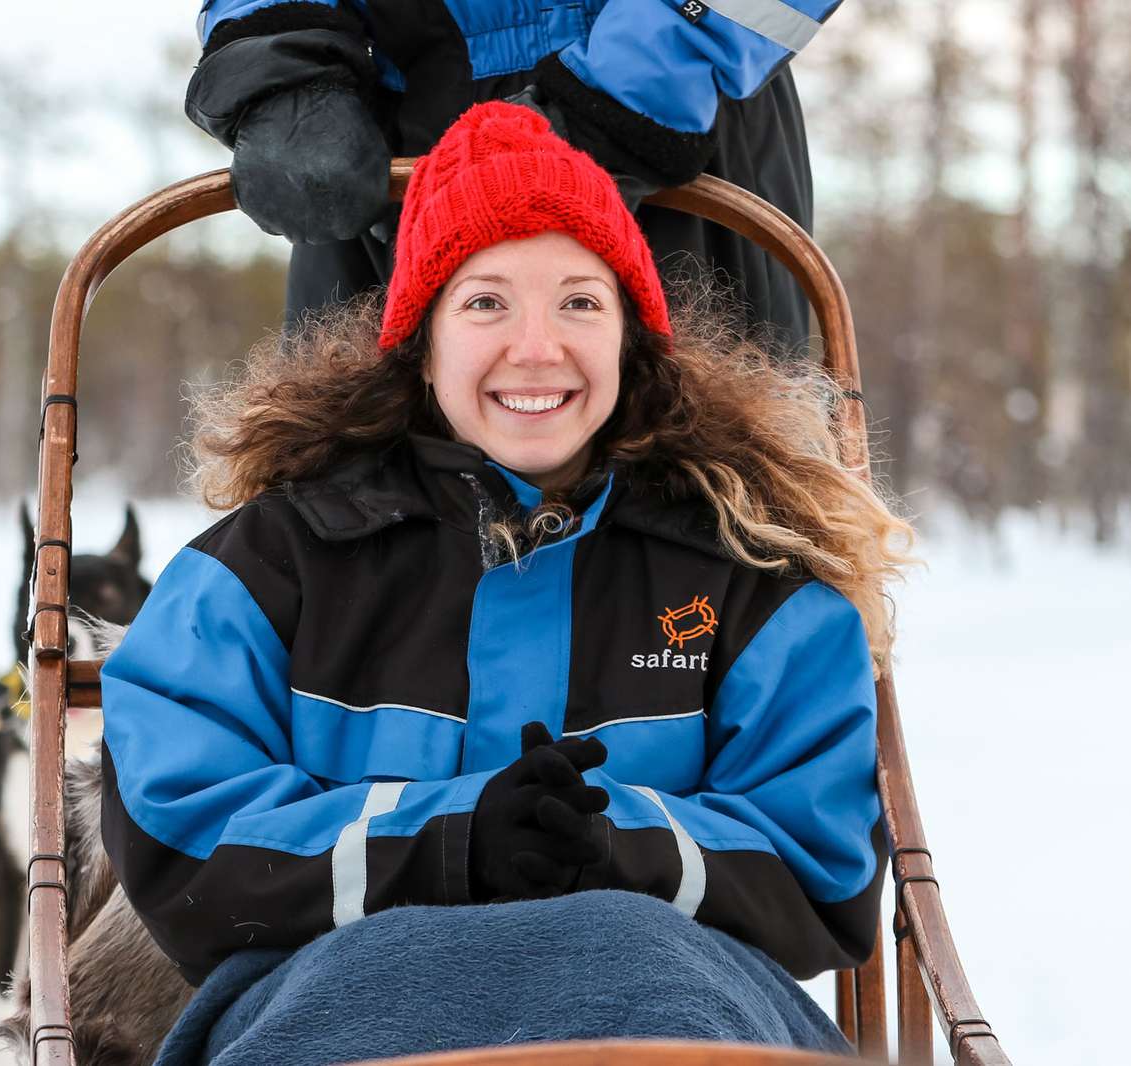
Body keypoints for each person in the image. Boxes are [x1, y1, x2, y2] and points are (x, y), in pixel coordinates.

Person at [99, 103, 912, 1063]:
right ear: (422, 340)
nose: (537, 347)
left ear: (629, 339)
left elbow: (819, 863)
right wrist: (452, 841)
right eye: (485, 301)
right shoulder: (271, 567)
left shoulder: (748, 576)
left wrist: (615, 847)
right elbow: (184, 838)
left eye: (579, 301)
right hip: (335, 1003)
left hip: (672, 1006)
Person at [187, 0, 835, 348]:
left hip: (668, 131)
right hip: (377, 148)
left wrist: (635, 88)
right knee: (353, 521)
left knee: (715, 506)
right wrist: (280, 56)